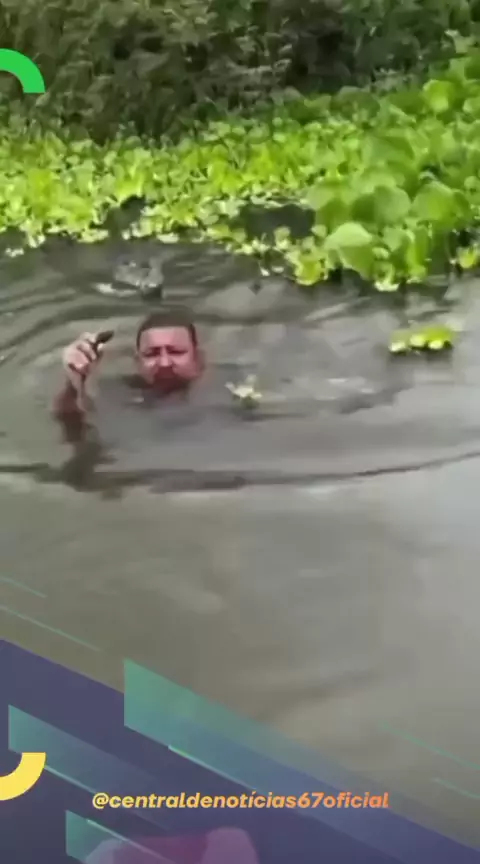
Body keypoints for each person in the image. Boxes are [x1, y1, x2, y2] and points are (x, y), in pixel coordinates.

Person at [54, 308, 205, 424]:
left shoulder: (218, 390)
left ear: (198, 358)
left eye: (176, 352)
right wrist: (74, 384)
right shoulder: (117, 392)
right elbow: (71, 425)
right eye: (151, 354)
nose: (164, 363)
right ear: (138, 362)